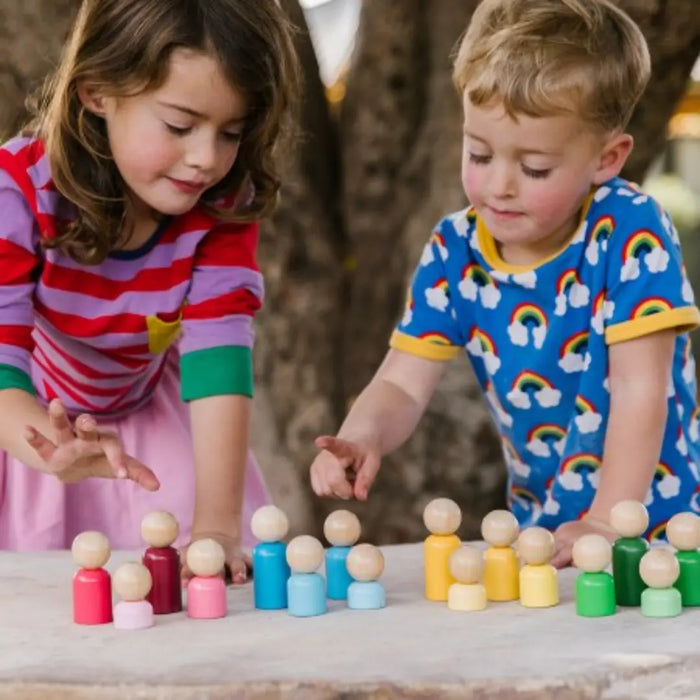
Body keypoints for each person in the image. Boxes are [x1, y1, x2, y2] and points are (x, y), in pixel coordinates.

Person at [309, 0, 700, 567]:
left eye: (534, 167)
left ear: (606, 158)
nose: (499, 186)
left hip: (664, 531)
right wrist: (363, 435)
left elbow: (641, 389)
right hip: (548, 529)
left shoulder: (628, 229)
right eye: (479, 153)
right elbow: (403, 382)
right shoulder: (455, 248)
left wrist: (609, 519)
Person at [0, 0, 299, 582]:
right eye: (180, 126)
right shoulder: (19, 192)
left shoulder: (220, 205)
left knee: (190, 576)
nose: (205, 159)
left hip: (154, 419)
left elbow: (217, 356)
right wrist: (46, 446)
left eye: (231, 132)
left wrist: (216, 527)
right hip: (29, 419)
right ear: (97, 91)